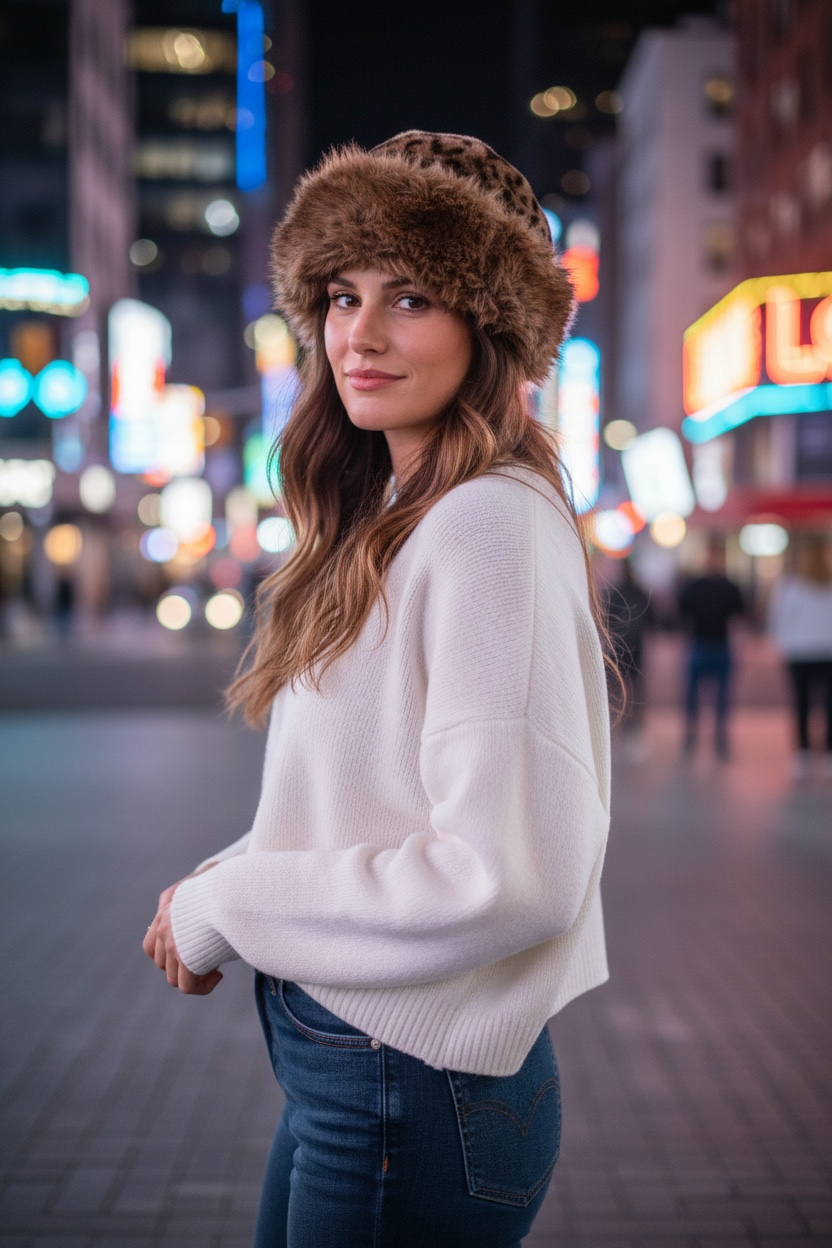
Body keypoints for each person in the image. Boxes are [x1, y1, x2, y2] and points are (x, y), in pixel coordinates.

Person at [143, 132, 612, 1248]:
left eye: (409, 295)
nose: (359, 332)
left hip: (410, 1085)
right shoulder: (397, 519)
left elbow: (510, 876)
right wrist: (223, 877)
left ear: (491, 325)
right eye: (341, 295)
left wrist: (230, 908)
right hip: (362, 1068)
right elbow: (363, 797)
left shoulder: (486, 525)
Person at [768, 534, 832, 779]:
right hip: (821, 651)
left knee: (803, 704)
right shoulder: (794, 584)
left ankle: (804, 753)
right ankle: (824, 753)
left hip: (803, 652)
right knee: (826, 705)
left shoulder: (791, 585)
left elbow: (778, 619)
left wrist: (782, 643)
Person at [677, 539, 744, 759]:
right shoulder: (694, 587)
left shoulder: (730, 587)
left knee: (723, 696)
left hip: (722, 646)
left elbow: (738, 619)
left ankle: (720, 736)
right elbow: (682, 617)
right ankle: (691, 733)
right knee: (691, 695)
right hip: (698, 645)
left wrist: (740, 647)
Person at [601, 559, 652, 759]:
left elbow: (605, 620)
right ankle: (632, 733)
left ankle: (622, 732)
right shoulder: (637, 592)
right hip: (632, 649)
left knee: (620, 693)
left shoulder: (614, 592)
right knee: (633, 694)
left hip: (619, 650)